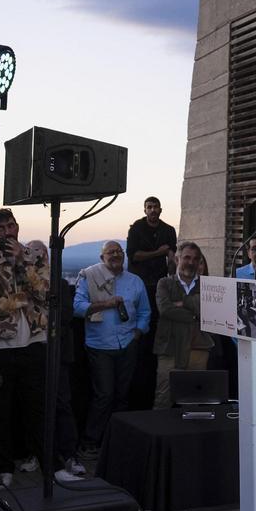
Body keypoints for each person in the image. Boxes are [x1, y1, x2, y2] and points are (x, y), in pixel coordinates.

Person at [0, 208, 50, 486]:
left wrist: (22, 262)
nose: (7, 232)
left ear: (18, 226)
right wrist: (25, 298)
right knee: (1, 409)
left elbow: (45, 291)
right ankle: (5, 467)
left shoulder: (35, 256)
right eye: (1, 228)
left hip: (34, 340)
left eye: (10, 226)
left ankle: (47, 463)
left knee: (36, 406)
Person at [73, 241, 151, 459]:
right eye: (110, 252)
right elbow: (77, 308)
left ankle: (117, 441)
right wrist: (105, 304)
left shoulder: (135, 281)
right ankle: (90, 442)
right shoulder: (89, 277)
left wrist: (138, 333)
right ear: (102, 258)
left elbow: (145, 311)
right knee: (104, 395)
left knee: (122, 396)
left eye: (119, 251)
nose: (115, 255)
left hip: (127, 344)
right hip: (100, 346)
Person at [25, 241, 86, 482]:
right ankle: (36, 453)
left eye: (42, 254)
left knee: (62, 404)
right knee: (34, 406)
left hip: (57, 353)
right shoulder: (24, 283)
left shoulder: (58, 284)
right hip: (32, 354)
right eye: (33, 254)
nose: (38, 258)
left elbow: (65, 316)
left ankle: (69, 454)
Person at [125, 196, 176, 411]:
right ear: (145, 210)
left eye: (156, 207)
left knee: (156, 331)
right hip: (139, 286)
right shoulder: (136, 228)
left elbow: (172, 256)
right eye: (149, 207)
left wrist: (172, 265)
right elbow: (134, 256)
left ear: (161, 210)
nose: (153, 210)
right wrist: (159, 252)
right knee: (140, 335)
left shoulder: (168, 230)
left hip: (160, 287)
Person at [152, 242, 213, 409]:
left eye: (195, 259)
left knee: (194, 399)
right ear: (177, 259)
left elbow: (210, 312)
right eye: (187, 257)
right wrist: (195, 314)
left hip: (198, 347)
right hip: (170, 348)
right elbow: (165, 310)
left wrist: (183, 302)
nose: (191, 262)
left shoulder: (209, 286)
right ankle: (161, 426)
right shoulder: (164, 283)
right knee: (163, 397)